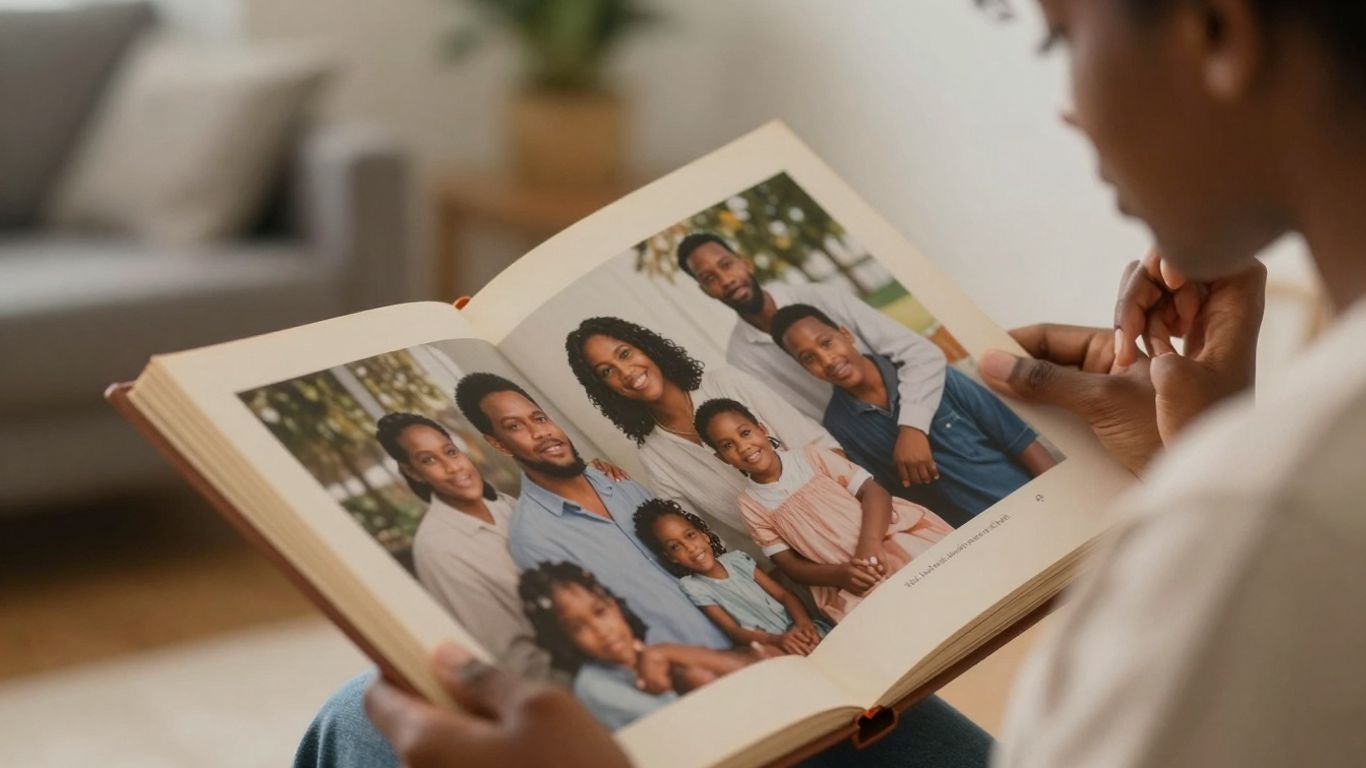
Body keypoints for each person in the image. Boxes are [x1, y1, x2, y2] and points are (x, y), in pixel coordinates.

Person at [361, 2, 1366, 766]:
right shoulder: (1260, 486)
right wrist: (1202, 456)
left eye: (1058, 35)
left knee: (359, 727)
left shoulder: (1263, 513)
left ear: (1216, 33)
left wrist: (1214, 494)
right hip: (778, 614)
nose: (1064, 103)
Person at [452, 371, 731, 651]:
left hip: (750, 632)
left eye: (538, 418)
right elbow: (599, 637)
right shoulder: (533, 539)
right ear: (498, 443)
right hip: (694, 670)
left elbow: (697, 557)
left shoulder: (617, 481)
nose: (541, 432)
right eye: (514, 426)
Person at [677, 232, 955, 498]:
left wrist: (912, 426)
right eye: (710, 278)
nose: (726, 280)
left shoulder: (821, 297)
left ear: (743, 261)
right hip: (862, 449)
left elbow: (920, 353)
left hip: (922, 414)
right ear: (705, 290)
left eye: (726, 265)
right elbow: (801, 421)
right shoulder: (741, 358)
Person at [770, 304, 1056, 527]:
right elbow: (897, 500)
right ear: (803, 368)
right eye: (809, 358)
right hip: (977, 537)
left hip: (1033, 501)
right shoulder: (839, 427)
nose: (827, 360)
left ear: (846, 335)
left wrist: (1062, 499)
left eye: (827, 343)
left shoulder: (928, 373)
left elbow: (1021, 440)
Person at [566, 316, 840, 536]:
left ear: (646, 348)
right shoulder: (655, 455)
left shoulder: (729, 383)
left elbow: (824, 449)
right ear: (606, 390)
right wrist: (611, 486)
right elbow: (696, 536)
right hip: (798, 567)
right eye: (607, 372)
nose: (625, 372)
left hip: (845, 514)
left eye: (625, 353)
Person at [695, 398, 953, 623]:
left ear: (762, 429)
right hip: (844, 578)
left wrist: (870, 544)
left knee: (940, 587)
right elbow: (790, 566)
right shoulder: (750, 505)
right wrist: (841, 575)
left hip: (885, 539)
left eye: (745, 433)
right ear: (721, 457)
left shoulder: (811, 457)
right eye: (727, 445)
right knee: (892, 620)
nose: (743, 447)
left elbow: (875, 493)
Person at [373, 412, 550, 678]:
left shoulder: (505, 505)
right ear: (412, 472)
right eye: (429, 460)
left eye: (451, 452)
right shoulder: (438, 549)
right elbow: (511, 658)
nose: (453, 467)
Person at [518, 562, 761, 730]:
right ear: (563, 639)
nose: (601, 631)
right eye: (578, 628)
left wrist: (664, 652)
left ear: (614, 606)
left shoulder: (642, 651)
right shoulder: (594, 687)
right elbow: (693, 724)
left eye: (600, 612)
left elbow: (748, 676)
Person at [633, 498, 828, 656]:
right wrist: (778, 640)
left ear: (705, 535)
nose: (690, 548)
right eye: (675, 547)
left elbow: (785, 596)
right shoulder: (694, 587)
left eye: (690, 536)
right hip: (772, 646)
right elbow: (733, 631)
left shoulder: (737, 560)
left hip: (801, 628)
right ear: (671, 558)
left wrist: (804, 623)